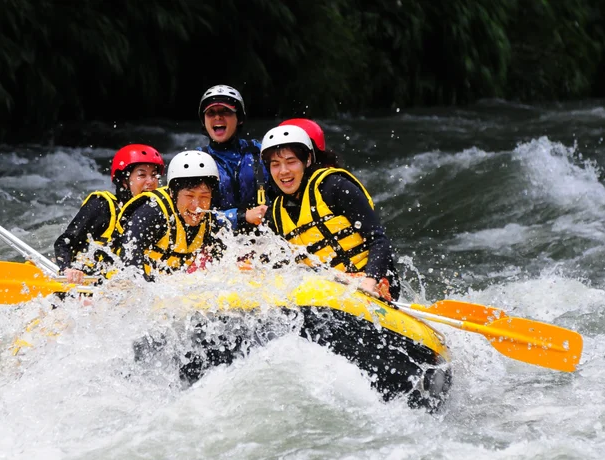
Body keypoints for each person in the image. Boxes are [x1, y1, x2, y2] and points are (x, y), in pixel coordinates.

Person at [259, 124, 401, 301]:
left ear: (308, 160)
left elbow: (378, 240)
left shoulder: (334, 187)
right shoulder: (274, 214)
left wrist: (369, 282)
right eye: (275, 165)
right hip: (326, 291)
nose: (284, 171)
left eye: (291, 161)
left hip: (372, 284)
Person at [54, 144, 164, 283]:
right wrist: (67, 269)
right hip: (86, 284)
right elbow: (64, 242)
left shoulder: (155, 214)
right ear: (124, 181)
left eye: (154, 175)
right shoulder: (102, 205)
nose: (151, 182)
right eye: (142, 175)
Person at [115, 150, 225, 279]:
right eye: (189, 196)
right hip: (118, 281)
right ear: (172, 193)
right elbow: (129, 258)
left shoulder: (209, 219)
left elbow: (224, 262)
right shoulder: (152, 212)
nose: (197, 206)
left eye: (204, 197)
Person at [195, 84, 269, 231]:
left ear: (239, 118)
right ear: (204, 121)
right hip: (217, 241)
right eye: (211, 113)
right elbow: (193, 215)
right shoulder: (196, 161)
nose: (217, 117)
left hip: (263, 237)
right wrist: (242, 217)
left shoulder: (259, 152)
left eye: (225, 111)